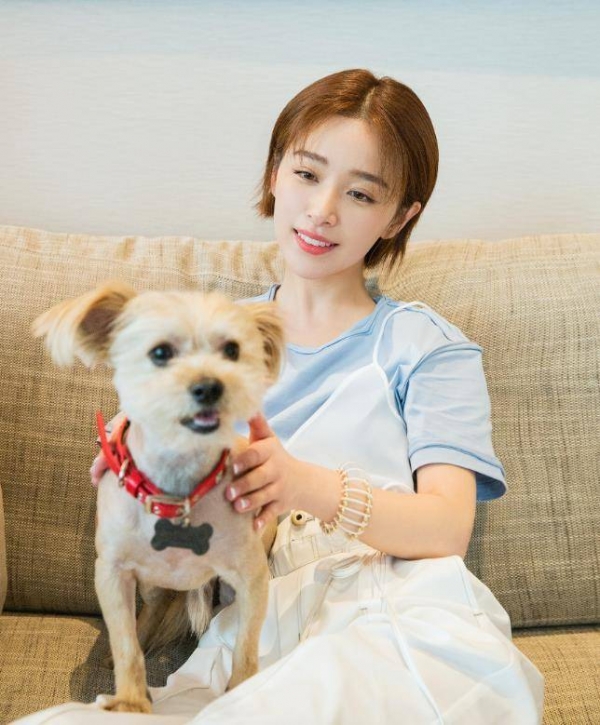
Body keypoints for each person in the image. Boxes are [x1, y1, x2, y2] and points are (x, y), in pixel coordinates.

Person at [16, 69, 544, 724]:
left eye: (360, 192)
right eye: (306, 174)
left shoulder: (427, 347)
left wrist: (300, 484)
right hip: (250, 627)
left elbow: (447, 528)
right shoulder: (199, 337)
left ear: (400, 216)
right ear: (274, 174)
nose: (323, 209)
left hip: (390, 610)